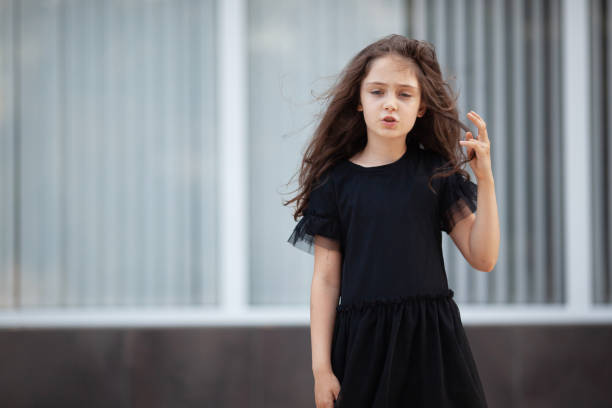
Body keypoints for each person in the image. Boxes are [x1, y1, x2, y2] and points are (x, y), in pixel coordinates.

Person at [284, 35, 500, 408]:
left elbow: (484, 258)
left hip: (432, 346)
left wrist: (486, 179)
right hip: (362, 348)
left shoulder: (436, 174)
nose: (390, 104)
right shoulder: (335, 183)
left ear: (420, 107)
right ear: (358, 100)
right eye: (377, 91)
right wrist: (322, 370)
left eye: (404, 94)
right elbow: (325, 279)